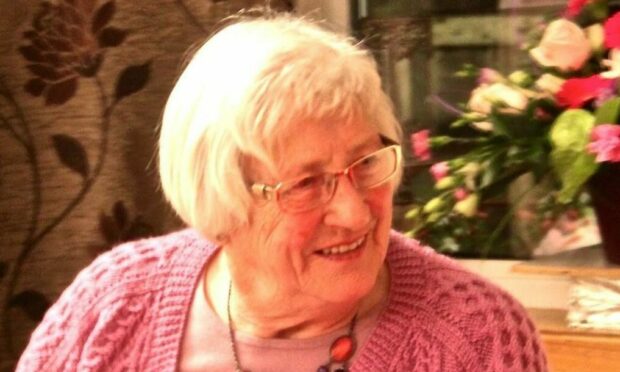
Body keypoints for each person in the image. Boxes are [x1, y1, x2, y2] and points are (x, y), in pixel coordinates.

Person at [17, 12, 548, 372]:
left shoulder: (477, 339)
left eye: (365, 164)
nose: (354, 211)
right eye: (306, 184)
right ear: (222, 201)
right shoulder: (113, 303)